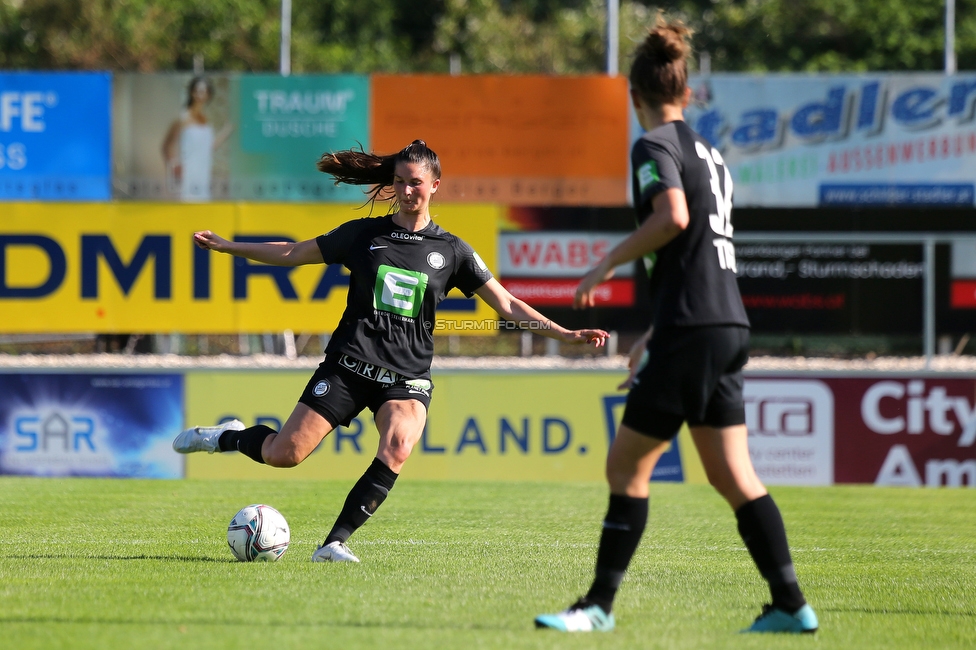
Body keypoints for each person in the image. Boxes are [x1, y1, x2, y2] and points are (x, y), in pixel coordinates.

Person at [173, 140, 609, 563]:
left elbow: (508, 304)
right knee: (282, 455)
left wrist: (565, 334)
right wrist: (228, 246)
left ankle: (334, 543)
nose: (405, 191)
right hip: (348, 368)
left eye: (415, 182)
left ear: (435, 185)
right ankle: (225, 436)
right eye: (399, 181)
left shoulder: (452, 251)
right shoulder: (364, 235)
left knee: (398, 444)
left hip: (406, 379)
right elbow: (293, 251)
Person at [534, 15, 818, 634]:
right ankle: (793, 605)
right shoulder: (712, 155)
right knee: (731, 474)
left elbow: (674, 220)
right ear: (687, 94)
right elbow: (699, 261)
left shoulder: (654, 145)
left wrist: (607, 260)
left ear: (635, 96)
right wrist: (659, 337)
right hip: (722, 324)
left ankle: (598, 608)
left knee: (625, 469)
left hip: (695, 329)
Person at [161, 76, 233, 202]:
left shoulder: (206, 120)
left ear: (209, 94)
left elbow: (209, 147)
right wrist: (175, 166)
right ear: (191, 92)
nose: (201, 95)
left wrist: (226, 131)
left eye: (204, 91)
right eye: (198, 91)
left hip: (203, 173)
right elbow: (167, 145)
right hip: (187, 174)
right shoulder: (183, 117)